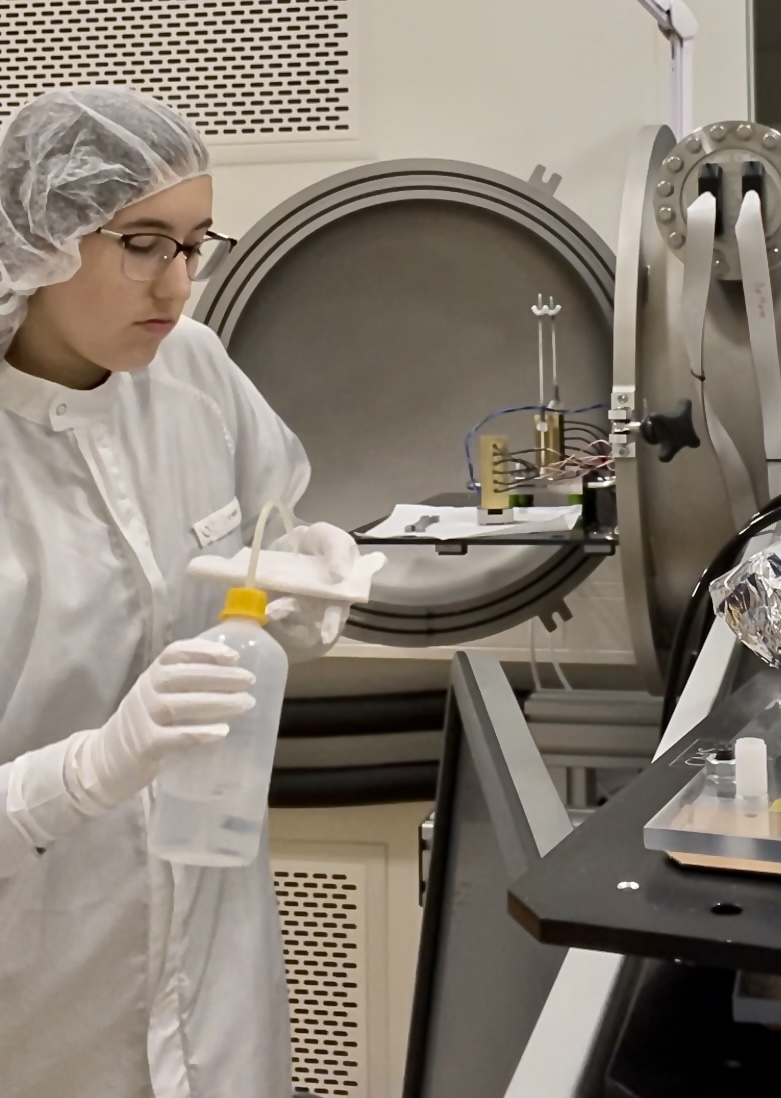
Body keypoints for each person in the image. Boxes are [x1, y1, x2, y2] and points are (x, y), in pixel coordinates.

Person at [0, 85, 359, 1098]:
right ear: (40, 237)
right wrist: (85, 773)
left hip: (211, 969)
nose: (179, 284)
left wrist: (297, 588)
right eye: (142, 243)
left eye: (197, 244)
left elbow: (265, 527)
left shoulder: (191, 372)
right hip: (37, 997)